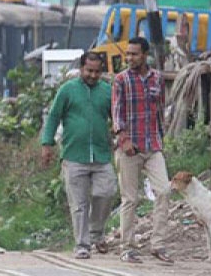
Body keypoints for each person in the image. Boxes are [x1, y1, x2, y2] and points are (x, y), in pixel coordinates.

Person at [41, 52, 117, 259]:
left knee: (107, 191)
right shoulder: (67, 90)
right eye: (89, 71)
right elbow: (54, 116)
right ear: (81, 69)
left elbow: (117, 118)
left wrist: (122, 137)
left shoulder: (107, 91)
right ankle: (82, 244)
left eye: (97, 71)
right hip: (74, 156)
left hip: (101, 155)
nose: (93, 75)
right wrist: (47, 144)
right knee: (79, 204)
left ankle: (96, 232)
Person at [112, 37, 173, 264]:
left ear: (145, 55)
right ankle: (127, 248)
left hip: (153, 145)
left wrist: (162, 137)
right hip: (129, 147)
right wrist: (123, 138)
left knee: (164, 191)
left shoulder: (157, 78)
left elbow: (160, 109)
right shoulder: (121, 80)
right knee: (130, 198)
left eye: (134, 54)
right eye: (128, 54)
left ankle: (158, 245)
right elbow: (117, 112)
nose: (129, 58)